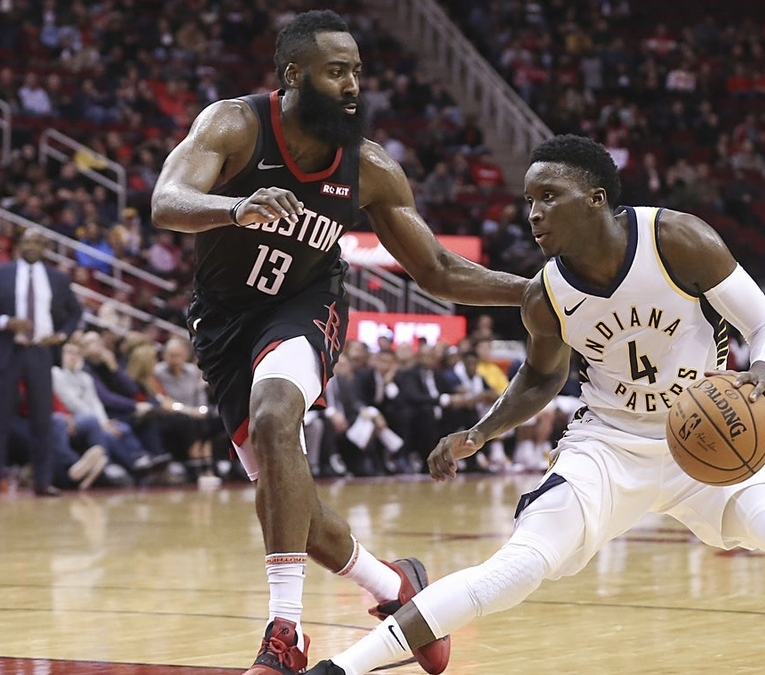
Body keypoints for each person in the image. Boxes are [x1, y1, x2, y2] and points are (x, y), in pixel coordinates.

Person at [306, 135, 765, 675]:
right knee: (517, 568)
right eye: (527, 201)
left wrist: (763, 372)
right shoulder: (545, 295)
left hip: (707, 435)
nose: (532, 213)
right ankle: (338, 669)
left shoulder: (677, 239)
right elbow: (540, 378)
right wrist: (477, 432)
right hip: (608, 447)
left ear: (596, 198)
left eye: (547, 197)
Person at [149, 10, 526, 675]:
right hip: (224, 324)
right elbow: (166, 198)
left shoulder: (370, 168)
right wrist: (233, 207)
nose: (352, 85)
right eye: (335, 71)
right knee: (296, 509)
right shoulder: (233, 125)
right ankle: (395, 586)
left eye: (356, 70)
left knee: (274, 414)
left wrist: (533, 292)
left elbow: (438, 270)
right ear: (294, 75)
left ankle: (284, 634)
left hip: (305, 306)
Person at [0, 229, 82, 497]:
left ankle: (42, 481)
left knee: (42, 420)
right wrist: (5, 322)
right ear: (19, 245)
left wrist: (61, 335)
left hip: (40, 351)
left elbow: (75, 312)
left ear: (45, 247)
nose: (32, 246)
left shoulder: (57, 278)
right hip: (9, 349)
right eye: (27, 241)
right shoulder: (1, 272)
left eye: (37, 242)